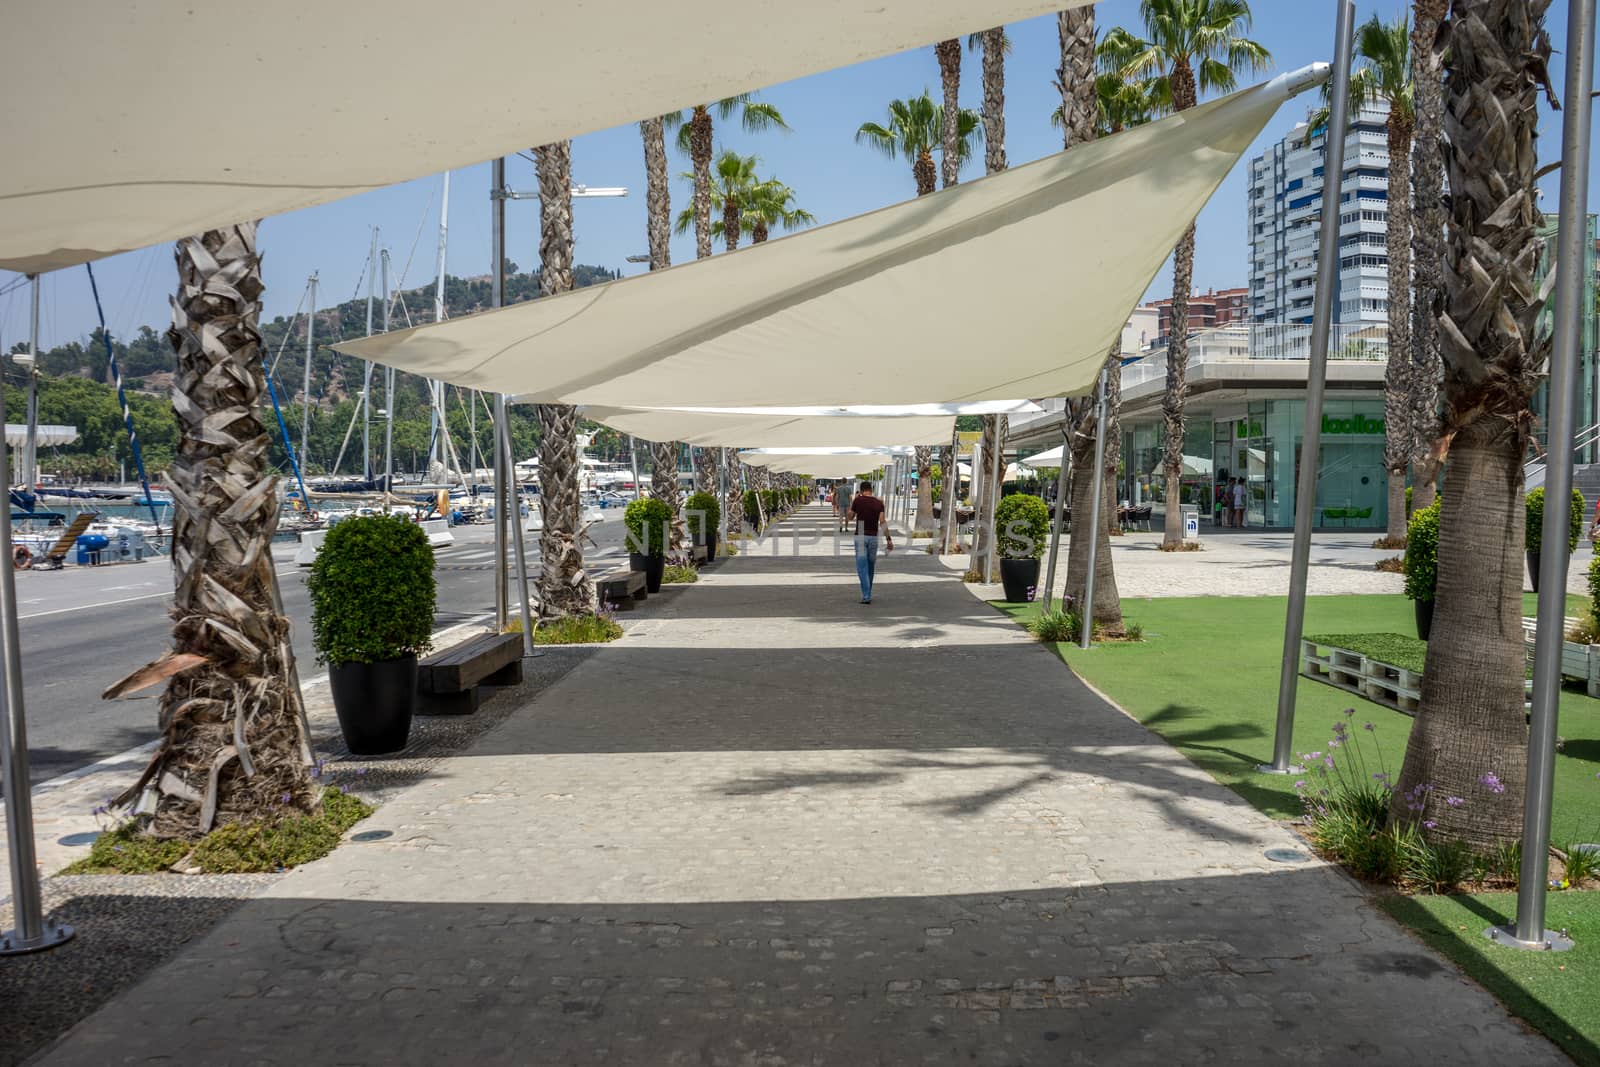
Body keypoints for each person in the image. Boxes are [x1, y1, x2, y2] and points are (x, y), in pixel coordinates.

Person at [847, 480, 892, 604]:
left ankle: (866, 595)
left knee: (862, 567)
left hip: (861, 533)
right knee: (870, 567)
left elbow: (850, 517)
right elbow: (882, 522)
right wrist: (889, 539)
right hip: (873, 536)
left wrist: (853, 503)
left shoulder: (858, 501)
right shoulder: (879, 503)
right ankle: (868, 592)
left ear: (861, 491)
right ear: (871, 490)